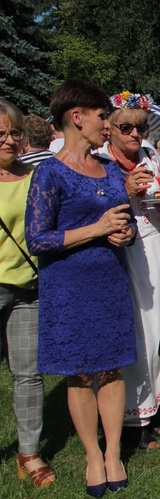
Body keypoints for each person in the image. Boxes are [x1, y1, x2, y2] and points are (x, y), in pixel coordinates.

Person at [25, 79, 137, 497]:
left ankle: (113, 453)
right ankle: (92, 454)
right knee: (80, 372)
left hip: (110, 280)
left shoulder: (109, 168)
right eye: (102, 116)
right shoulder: (49, 173)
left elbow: (121, 219)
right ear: (77, 117)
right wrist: (95, 229)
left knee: (111, 367)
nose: (106, 124)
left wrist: (124, 234)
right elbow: (37, 239)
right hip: (69, 287)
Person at [93, 91, 160, 451]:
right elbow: (90, 208)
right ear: (109, 128)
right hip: (120, 251)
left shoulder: (153, 158)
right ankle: (129, 418)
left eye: (141, 127)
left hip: (155, 247)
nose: (134, 134)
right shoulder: (97, 161)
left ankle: (155, 405)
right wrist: (123, 191)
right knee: (132, 329)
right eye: (125, 127)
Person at [0, 100, 56, 489]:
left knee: (28, 374)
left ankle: (29, 453)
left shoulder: (36, 175)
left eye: (14, 133)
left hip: (29, 287)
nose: (8, 140)